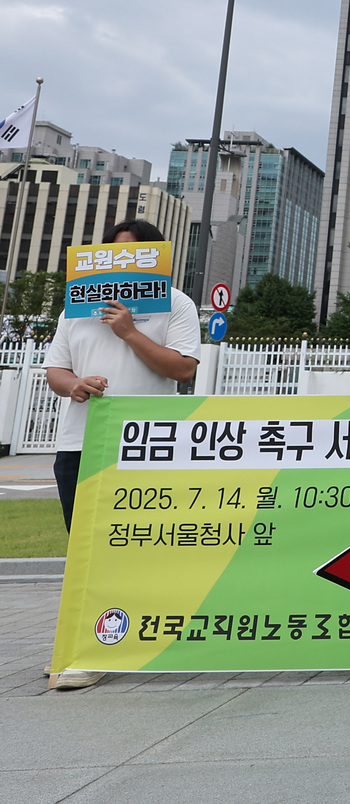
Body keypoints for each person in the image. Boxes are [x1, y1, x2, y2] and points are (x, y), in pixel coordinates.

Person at [43, 219, 201, 690]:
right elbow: (56, 370)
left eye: (134, 254)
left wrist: (130, 331)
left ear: (155, 258)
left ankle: (135, 643)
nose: (122, 263)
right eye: (114, 253)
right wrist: (75, 385)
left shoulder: (175, 302)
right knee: (84, 549)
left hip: (150, 446)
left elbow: (182, 370)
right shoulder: (77, 307)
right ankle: (81, 649)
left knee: (142, 547)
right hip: (80, 441)